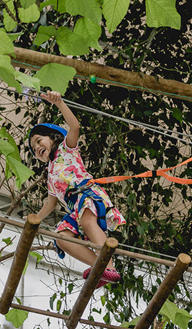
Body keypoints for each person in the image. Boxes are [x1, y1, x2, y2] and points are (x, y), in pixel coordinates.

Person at [27, 91, 124, 288]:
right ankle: (99, 267)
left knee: (88, 222)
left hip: (88, 195)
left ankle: (110, 268)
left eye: (39, 141)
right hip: (76, 208)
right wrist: (35, 218)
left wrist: (59, 103)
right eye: (34, 149)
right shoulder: (51, 176)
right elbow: (51, 203)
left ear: (53, 138)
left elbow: (75, 126)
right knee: (61, 238)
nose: (37, 148)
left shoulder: (66, 149)